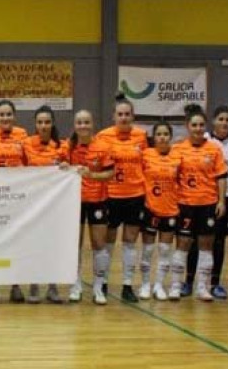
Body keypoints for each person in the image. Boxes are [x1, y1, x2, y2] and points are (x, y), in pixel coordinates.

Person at [170, 111, 228, 302]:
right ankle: (176, 285)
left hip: (208, 203)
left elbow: (221, 177)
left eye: (201, 125)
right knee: (183, 244)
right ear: (187, 126)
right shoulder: (178, 148)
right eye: (194, 125)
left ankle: (202, 287)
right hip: (185, 204)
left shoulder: (214, 149)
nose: (198, 128)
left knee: (206, 246)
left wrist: (221, 201)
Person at [97, 96, 151, 303]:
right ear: (113, 116)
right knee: (108, 242)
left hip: (135, 195)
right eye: (120, 114)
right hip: (111, 195)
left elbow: (148, 164)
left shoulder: (141, 136)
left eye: (127, 114)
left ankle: (127, 285)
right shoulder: (103, 136)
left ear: (133, 116)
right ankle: (103, 283)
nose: (124, 117)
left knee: (130, 241)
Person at [183, 106, 228, 300]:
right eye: (220, 119)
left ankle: (214, 283)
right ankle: (189, 281)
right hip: (201, 198)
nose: (224, 123)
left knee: (218, 241)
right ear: (213, 122)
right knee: (193, 240)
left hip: (226, 197)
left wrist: (223, 200)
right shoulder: (203, 139)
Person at [0, 100, 28, 303]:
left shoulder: (22, 134)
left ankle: (15, 284)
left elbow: (29, 162)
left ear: (14, 116)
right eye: (1, 114)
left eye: (9, 114)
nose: (5, 118)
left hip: (16, 196)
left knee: (15, 240)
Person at [67, 110, 114, 305]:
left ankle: (98, 287)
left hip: (98, 201)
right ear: (74, 125)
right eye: (79, 122)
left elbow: (110, 173)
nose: (83, 126)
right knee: (74, 244)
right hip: (74, 201)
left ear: (92, 124)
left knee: (99, 244)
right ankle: (75, 285)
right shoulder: (68, 147)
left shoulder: (103, 147)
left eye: (86, 122)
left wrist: (92, 175)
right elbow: (57, 165)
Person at [22, 105, 68, 304]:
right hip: (32, 204)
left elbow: (70, 171)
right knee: (34, 244)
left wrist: (66, 167)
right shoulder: (26, 144)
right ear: (35, 124)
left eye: (47, 122)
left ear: (53, 123)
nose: (43, 126)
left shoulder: (62, 146)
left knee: (52, 245)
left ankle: (52, 286)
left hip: (55, 204)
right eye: (40, 122)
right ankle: (34, 285)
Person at [141, 122, 181, 301]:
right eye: (159, 134)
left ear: (170, 136)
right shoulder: (146, 154)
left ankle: (158, 285)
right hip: (151, 209)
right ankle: (145, 284)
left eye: (165, 134)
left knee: (165, 250)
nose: (162, 137)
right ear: (154, 137)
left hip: (170, 209)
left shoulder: (178, 156)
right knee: (148, 250)